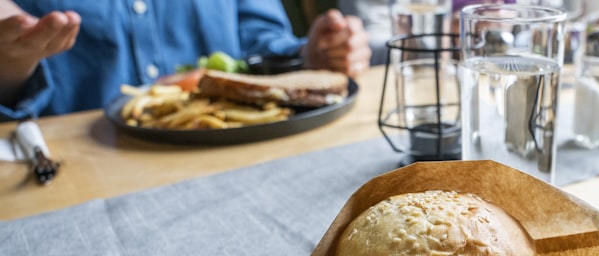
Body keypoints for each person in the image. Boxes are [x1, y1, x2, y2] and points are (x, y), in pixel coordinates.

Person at [0, 0, 371, 121]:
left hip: (238, 159)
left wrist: (310, 57)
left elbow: (264, 42)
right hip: (76, 176)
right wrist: (10, 65)